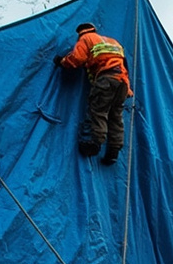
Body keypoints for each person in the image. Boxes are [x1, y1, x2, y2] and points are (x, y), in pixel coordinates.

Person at [53, 22, 132, 165]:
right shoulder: (113, 42)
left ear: (81, 33)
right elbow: (124, 66)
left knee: (98, 111)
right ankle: (113, 151)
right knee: (115, 116)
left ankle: (94, 143)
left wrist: (62, 61)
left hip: (105, 80)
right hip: (122, 83)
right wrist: (128, 89)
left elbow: (77, 59)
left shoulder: (86, 39)